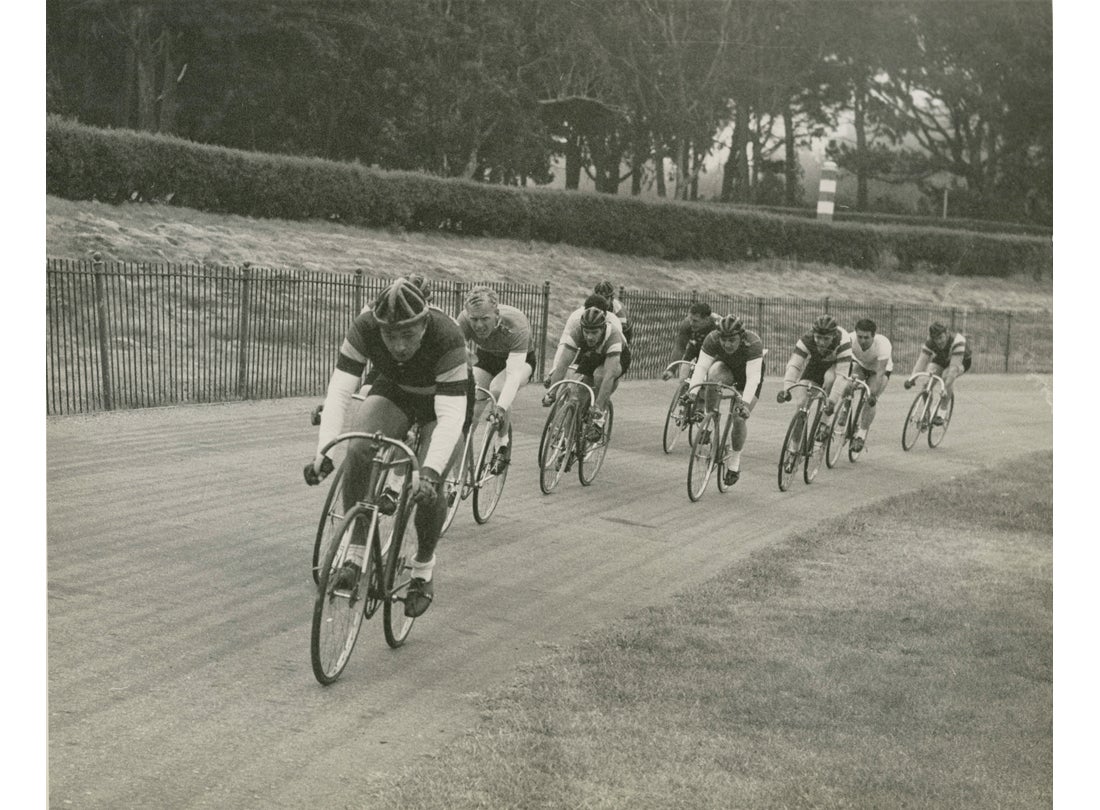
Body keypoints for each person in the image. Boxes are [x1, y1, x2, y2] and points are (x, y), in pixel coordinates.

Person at [303, 277, 473, 618]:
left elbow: (451, 417)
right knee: (358, 449)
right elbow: (339, 391)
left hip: (443, 403)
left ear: (424, 323)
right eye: (389, 335)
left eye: (408, 335)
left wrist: (430, 472)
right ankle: (355, 552)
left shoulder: (447, 335)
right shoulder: (365, 325)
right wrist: (325, 452)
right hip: (395, 391)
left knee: (429, 489)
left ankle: (423, 568)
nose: (398, 346)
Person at [456, 286, 536, 471]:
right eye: (474, 319)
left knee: (498, 390)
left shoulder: (516, 324)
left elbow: (513, 374)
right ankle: (462, 461)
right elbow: (455, 357)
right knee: (472, 401)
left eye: (485, 319)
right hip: (488, 358)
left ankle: (502, 442)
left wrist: (500, 408)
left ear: (497, 314)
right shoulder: (464, 320)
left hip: (520, 361)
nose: (478, 326)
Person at [684, 315, 764, 485]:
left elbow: (753, 379)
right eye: (724, 340)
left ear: (741, 337)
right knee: (713, 375)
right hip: (726, 368)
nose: (727, 344)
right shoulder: (712, 339)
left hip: (748, 378)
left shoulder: (753, 343)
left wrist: (744, 404)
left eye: (732, 340)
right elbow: (701, 367)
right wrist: (693, 391)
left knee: (739, 418)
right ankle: (710, 420)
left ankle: (734, 464)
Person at [543, 304, 630, 440]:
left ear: (602, 329)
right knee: (577, 395)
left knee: (600, 376)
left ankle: (598, 421)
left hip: (617, 358)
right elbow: (563, 365)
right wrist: (552, 392)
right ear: (582, 328)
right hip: (594, 355)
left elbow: (608, 376)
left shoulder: (612, 335)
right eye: (587, 332)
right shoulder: (577, 332)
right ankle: (569, 441)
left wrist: (598, 407)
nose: (589, 337)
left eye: (594, 332)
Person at [776, 315, 853, 439]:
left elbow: (842, 376)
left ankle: (825, 422)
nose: (821, 343)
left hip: (836, 365)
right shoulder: (807, 339)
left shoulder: (843, 341)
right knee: (801, 405)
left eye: (826, 339)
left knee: (829, 380)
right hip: (817, 363)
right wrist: (787, 388)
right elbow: (794, 365)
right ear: (813, 334)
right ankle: (794, 450)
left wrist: (832, 401)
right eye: (818, 338)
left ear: (833, 336)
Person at [904, 321, 971, 425]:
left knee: (946, 376)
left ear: (947, 333)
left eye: (941, 337)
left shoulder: (958, 341)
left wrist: (944, 388)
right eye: (935, 339)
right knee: (927, 383)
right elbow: (921, 361)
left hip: (961, 361)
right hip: (942, 359)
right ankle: (926, 414)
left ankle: (941, 413)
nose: (938, 342)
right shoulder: (930, 342)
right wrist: (912, 379)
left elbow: (953, 371)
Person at [846, 317, 893, 452]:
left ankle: (861, 434)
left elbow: (880, 372)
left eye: (866, 338)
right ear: (855, 334)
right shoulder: (850, 339)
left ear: (874, 336)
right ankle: (844, 410)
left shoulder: (883, 344)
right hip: (861, 366)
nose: (862, 341)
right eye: (860, 337)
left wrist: (873, 394)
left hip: (878, 371)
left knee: (870, 399)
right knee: (848, 385)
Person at [661, 302, 720, 385]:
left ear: (706, 319)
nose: (691, 323)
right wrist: (671, 369)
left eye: (695, 321)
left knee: (711, 382)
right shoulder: (687, 324)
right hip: (694, 349)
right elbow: (680, 347)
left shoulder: (718, 326)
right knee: (683, 381)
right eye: (690, 319)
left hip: (713, 353)